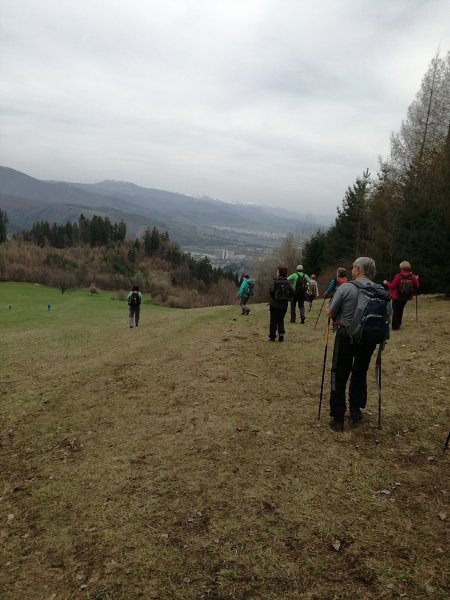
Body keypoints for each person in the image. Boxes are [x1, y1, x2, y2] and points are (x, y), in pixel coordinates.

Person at [326, 257, 391, 432]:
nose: (352, 270)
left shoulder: (346, 288)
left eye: (354, 268)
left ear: (358, 270)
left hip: (346, 337)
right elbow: (388, 318)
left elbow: (331, 311)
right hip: (369, 339)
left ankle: (338, 418)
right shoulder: (381, 291)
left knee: (339, 374)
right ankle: (355, 410)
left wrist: (331, 314)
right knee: (360, 372)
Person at [383, 261, 419, 331]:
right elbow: (417, 286)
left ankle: (395, 327)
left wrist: (386, 282)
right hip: (406, 297)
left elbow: (392, 286)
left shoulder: (398, 276)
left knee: (395, 311)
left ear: (402, 268)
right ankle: (398, 324)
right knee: (400, 309)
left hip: (397, 297)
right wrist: (417, 279)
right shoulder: (413, 276)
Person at [269, 266, 294, 341]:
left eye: (277, 271)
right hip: (284, 305)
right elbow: (293, 292)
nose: (276, 273)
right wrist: (287, 297)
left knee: (273, 320)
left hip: (274, 304)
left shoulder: (275, 281)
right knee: (280, 319)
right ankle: (281, 334)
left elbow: (271, 291)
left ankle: (272, 337)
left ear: (279, 273)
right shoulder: (288, 282)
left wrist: (274, 298)